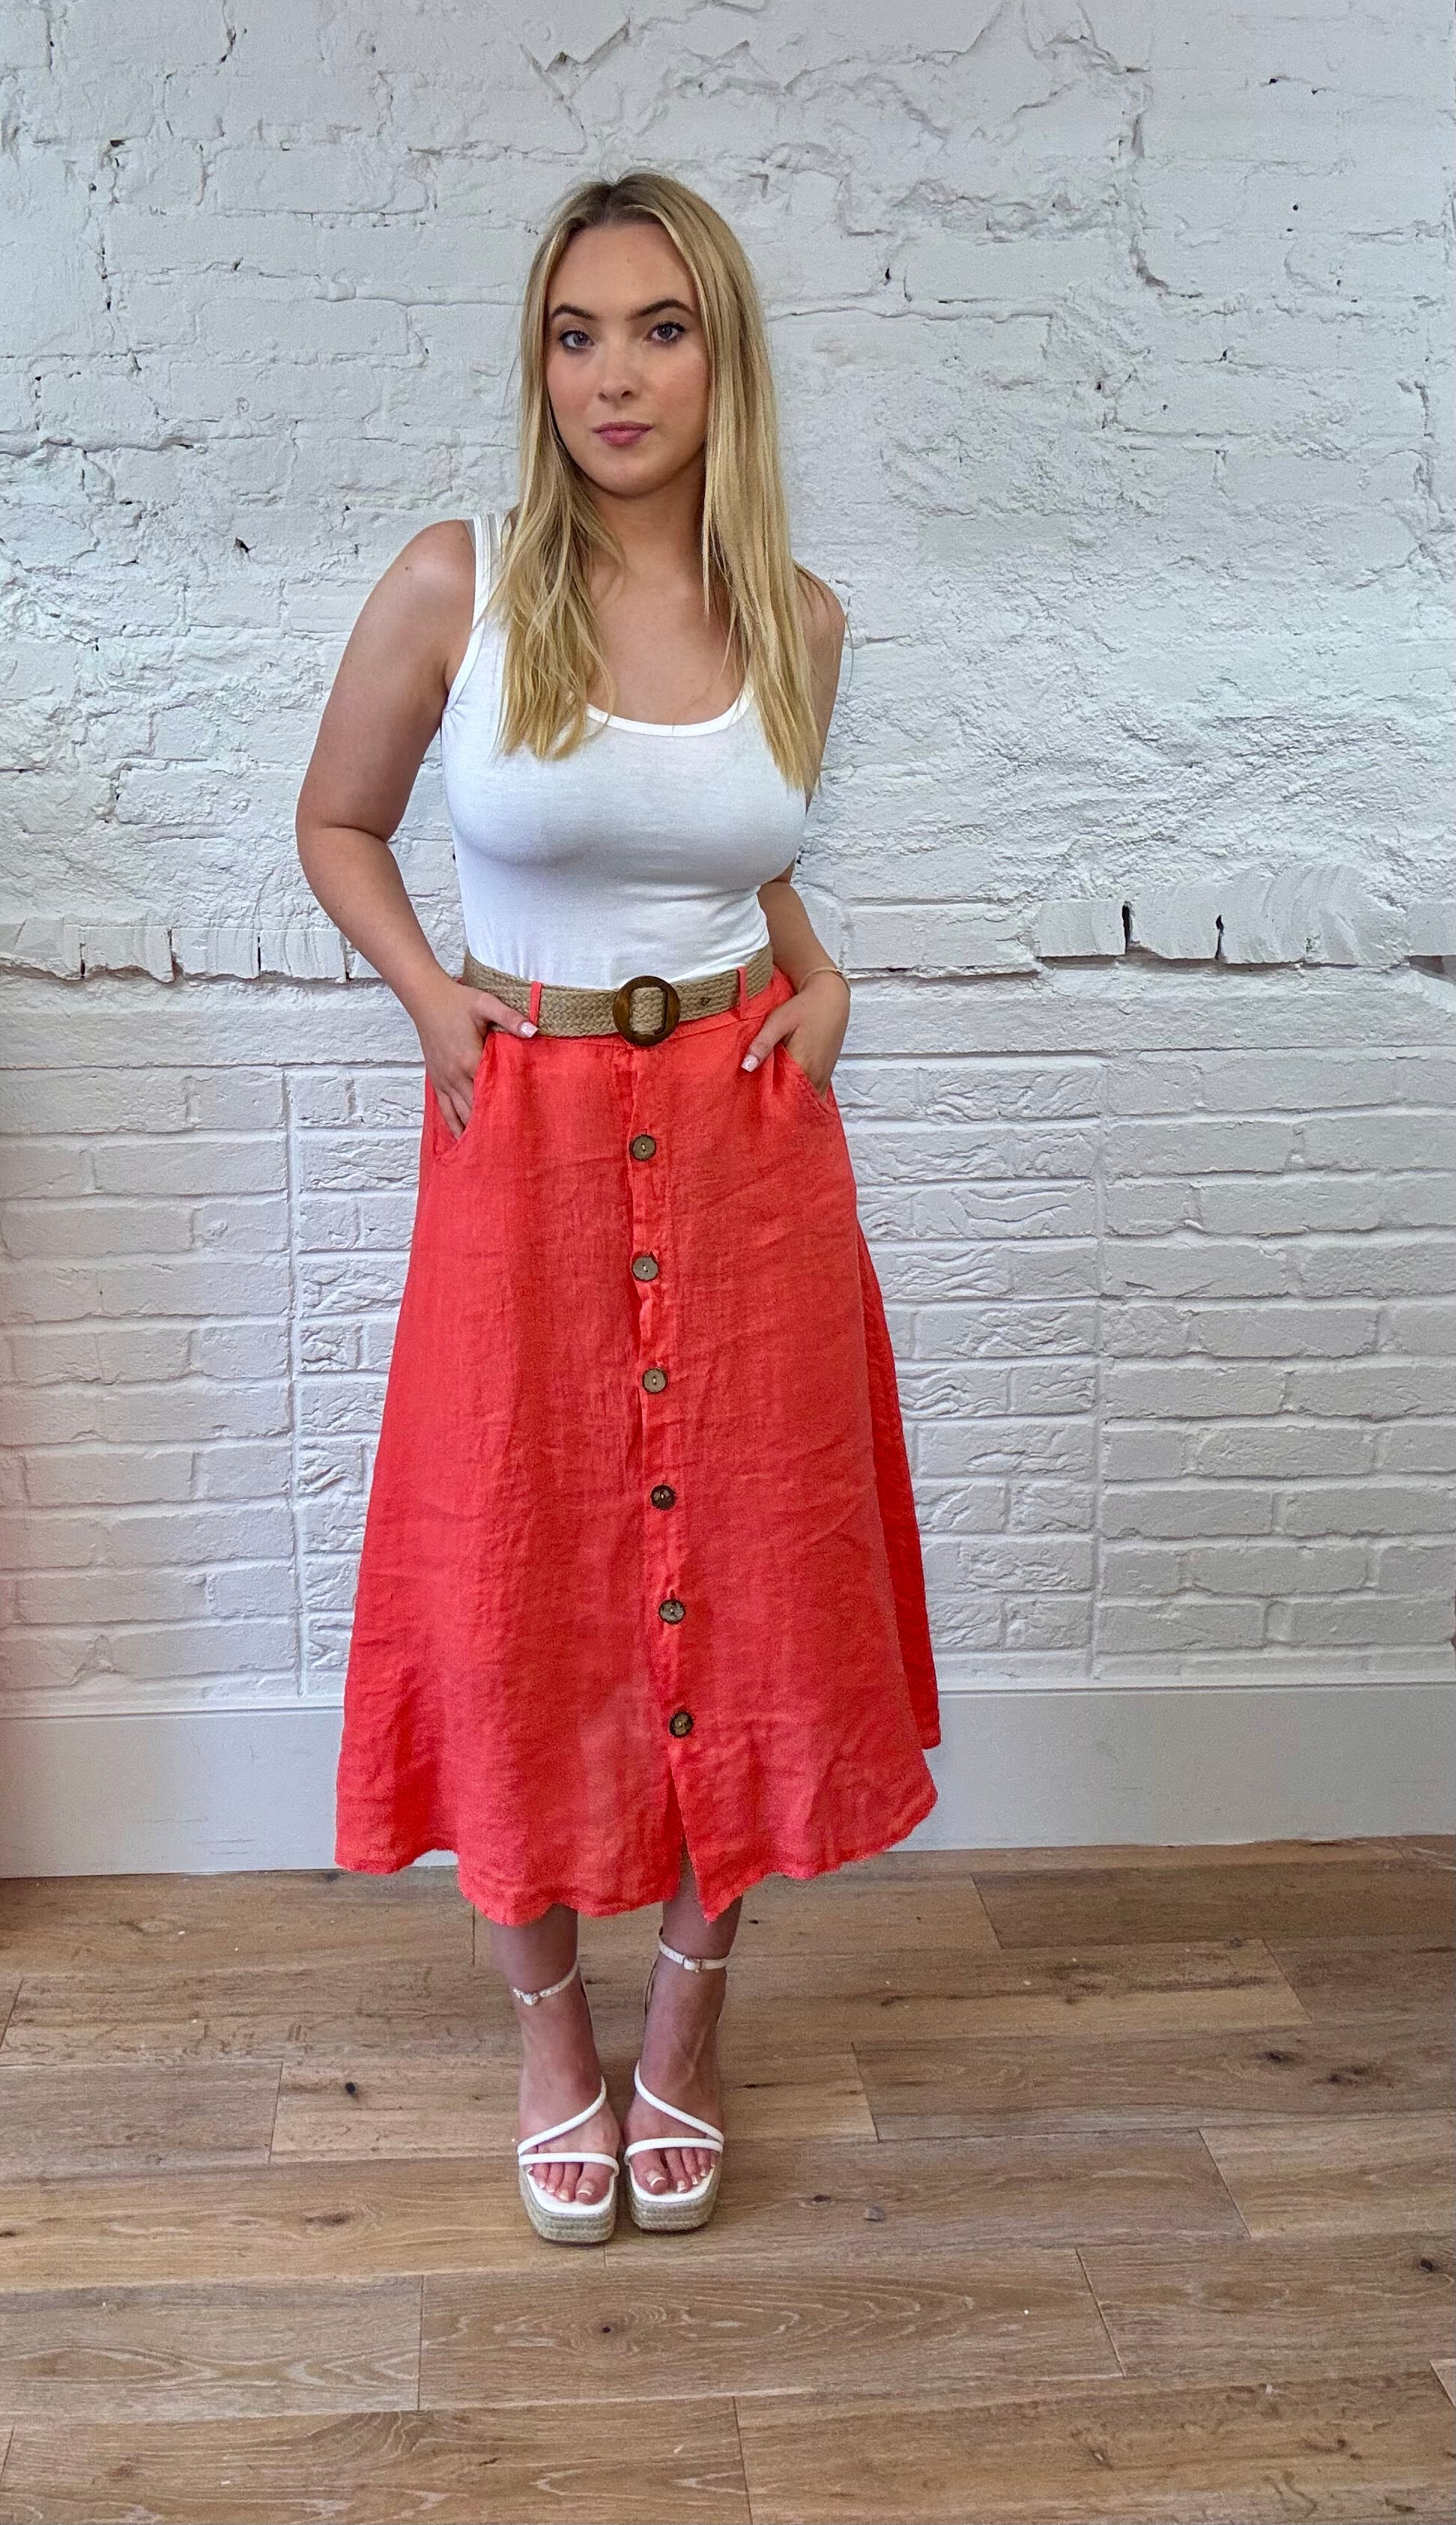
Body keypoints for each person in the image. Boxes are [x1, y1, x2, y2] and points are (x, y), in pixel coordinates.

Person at [295, 168, 940, 2245]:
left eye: (659, 328)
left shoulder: (801, 618)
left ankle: (689, 2012)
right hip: (531, 1139)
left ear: (722, 355)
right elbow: (338, 820)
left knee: (751, 1571)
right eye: (576, 334)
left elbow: (738, 851)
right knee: (512, 1570)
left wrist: (821, 979)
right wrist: (433, 1001)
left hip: (749, 1141)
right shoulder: (459, 584)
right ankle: (547, 2035)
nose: (614, 374)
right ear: (540, 365)